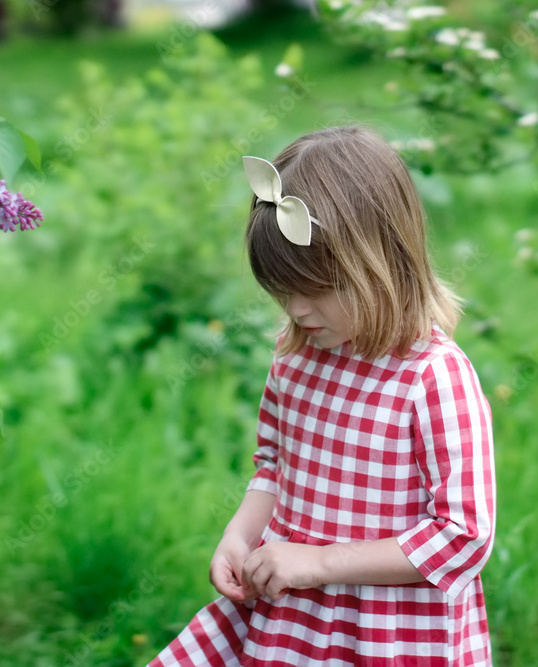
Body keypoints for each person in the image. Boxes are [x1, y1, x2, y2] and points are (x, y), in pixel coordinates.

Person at [149, 125, 496, 666]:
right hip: (292, 619)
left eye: (316, 290)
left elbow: (464, 535)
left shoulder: (433, 378)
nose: (296, 310)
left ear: (383, 264)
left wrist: (320, 563)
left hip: (389, 633)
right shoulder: (296, 360)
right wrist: (240, 537)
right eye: (283, 291)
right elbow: (273, 465)